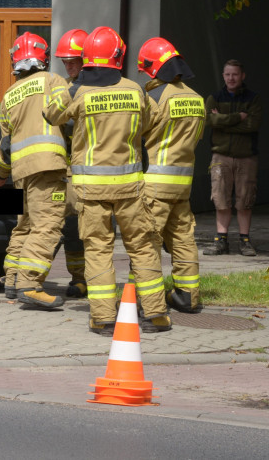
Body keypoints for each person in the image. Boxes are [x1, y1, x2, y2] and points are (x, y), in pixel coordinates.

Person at [44, 26, 171, 335]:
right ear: (118, 57)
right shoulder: (135, 89)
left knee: (98, 250)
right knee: (142, 247)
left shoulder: (77, 92)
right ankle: (155, 315)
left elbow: (50, 114)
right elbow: (153, 120)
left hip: (91, 190)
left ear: (87, 57)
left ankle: (103, 318)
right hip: (130, 188)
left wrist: (72, 86)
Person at [0, 32, 70, 309]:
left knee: (24, 226)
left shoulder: (8, 96)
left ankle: (13, 280)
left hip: (21, 173)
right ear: (43, 58)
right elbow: (67, 116)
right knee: (47, 225)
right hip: (48, 167)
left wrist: (0, 174)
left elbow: (5, 144)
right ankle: (30, 284)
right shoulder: (53, 81)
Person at [137, 37, 206, 313]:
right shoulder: (197, 99)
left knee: (147, 242)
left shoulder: (154, 98)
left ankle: (146, 301)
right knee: (183, 239)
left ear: (154, 68)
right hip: (183, 184)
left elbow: (137, 134)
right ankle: (188, 297)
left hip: (154, 184)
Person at [203, 60, 262, 256]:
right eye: (227, 74)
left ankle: (245, 241)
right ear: (223, 76)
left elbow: (252, 125)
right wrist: (238, 117)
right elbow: (209, 120)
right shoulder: (214, 98)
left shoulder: (253, 99)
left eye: (235, 74)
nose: (231, 78)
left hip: (247, 157)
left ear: (242, 76)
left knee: (245, 200)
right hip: (221, 156)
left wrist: (222, 121)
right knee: (220, 200)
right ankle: (221, 241)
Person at [53, 28, 89, 298]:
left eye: (73, 61)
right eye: (65, 62)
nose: (68, 66)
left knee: (86, 231)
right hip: (66, 170)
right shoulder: (64, 88)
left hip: (93, 170)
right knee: (67, 226)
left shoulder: (97, 88)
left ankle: (84, 279)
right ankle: (77, 278)